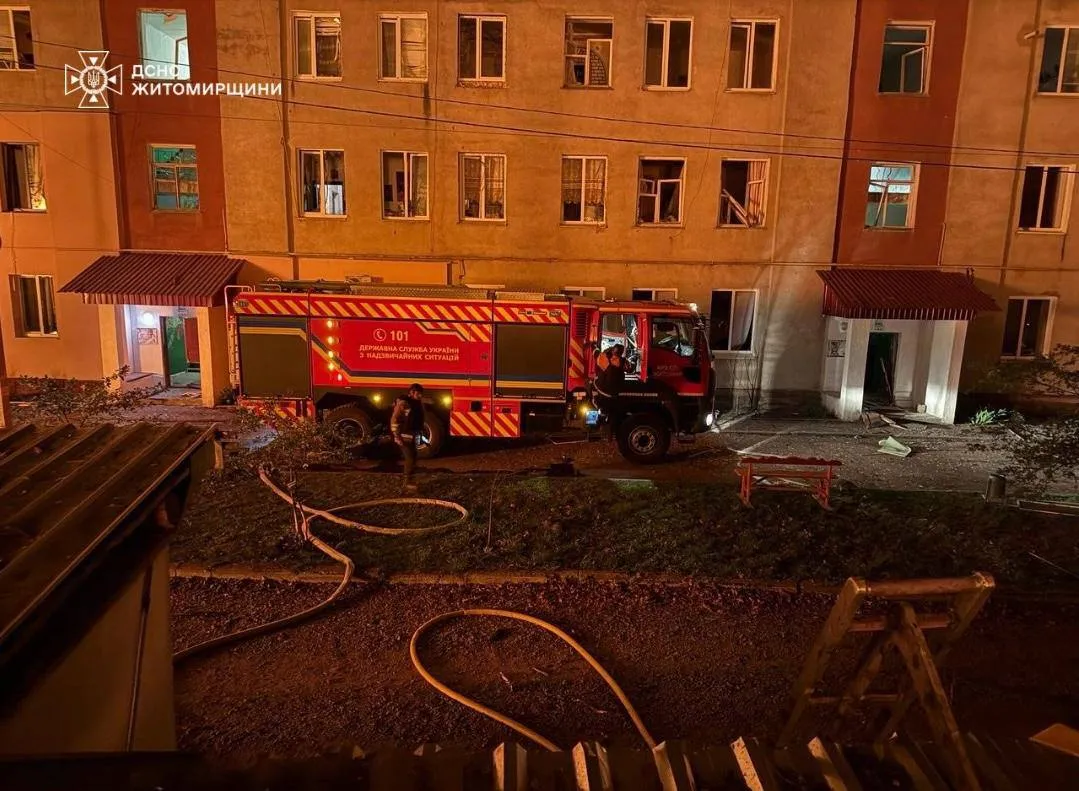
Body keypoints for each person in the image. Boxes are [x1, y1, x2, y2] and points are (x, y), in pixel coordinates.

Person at [390, 383, 425, 490]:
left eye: (421, 394)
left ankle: (410, 479)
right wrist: (396, 436)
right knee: (410, 458)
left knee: (413, 457)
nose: (420, 396)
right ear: (412, 392)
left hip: (411, 436)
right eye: (418, 394)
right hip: (403, 436)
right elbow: (394, 419)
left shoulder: (417, 403)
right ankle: (407, 482)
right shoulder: (404, 404)